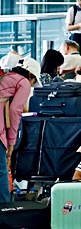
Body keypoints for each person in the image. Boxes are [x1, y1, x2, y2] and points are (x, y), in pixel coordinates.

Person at [0, 66, 37, 202]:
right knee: (1, 170)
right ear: (30, 75)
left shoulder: (6, 78)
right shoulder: (23, 82)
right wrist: (11, 142)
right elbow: (15, 111)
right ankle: (5, 213)